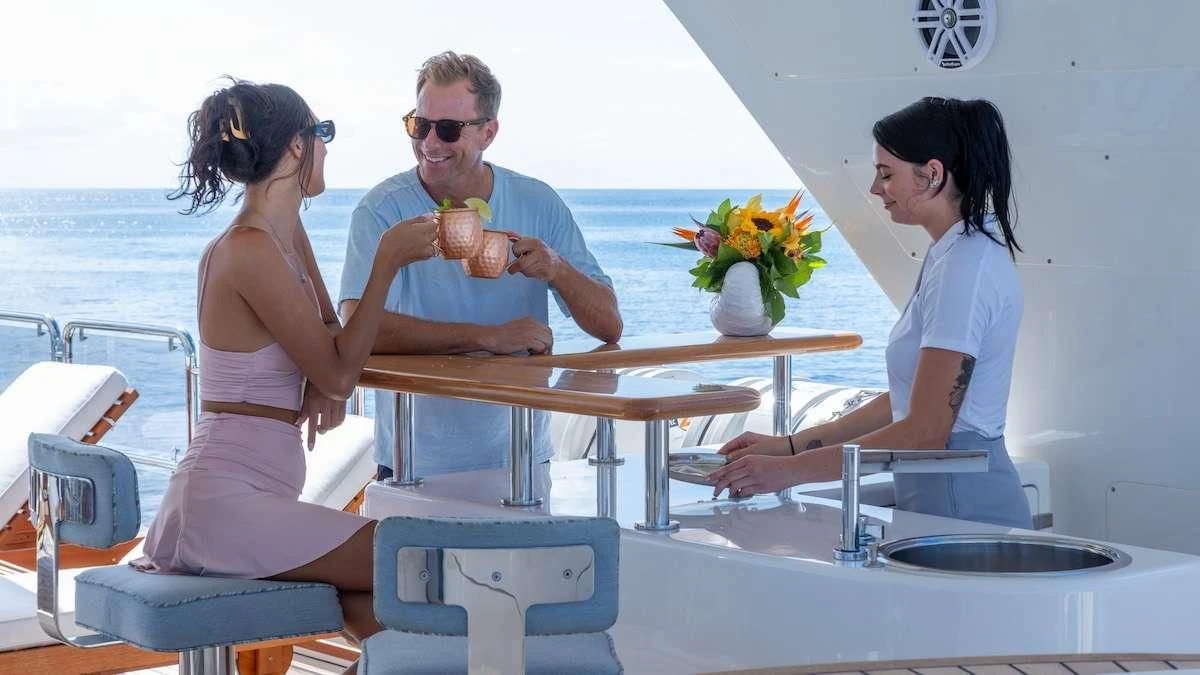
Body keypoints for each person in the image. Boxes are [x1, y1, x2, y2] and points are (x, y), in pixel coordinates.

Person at [135, 78, 439, 674]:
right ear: (297, 148)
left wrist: (315, 379)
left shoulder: (281, 234)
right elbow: (341, 369)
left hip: (237, 501)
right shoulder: (248, 249)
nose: (327, 147)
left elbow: (327, 328)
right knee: (415, 559)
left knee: (384, 606)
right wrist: (387, 263)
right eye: (322, 133)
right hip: (222, 506)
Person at [709, 97, 1032, 529]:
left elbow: (926, 431)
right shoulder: (953, 253)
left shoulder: (966, 267)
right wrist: (787, 447)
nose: (875, 189)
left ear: (932, 175)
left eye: (886, 174)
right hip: (947, 506)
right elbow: (903, 404)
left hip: (966, 511)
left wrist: (786, 473)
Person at [339, 51, 622, 478]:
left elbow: (609, 326)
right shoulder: (380, 210)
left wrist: (558, 270)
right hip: (413, 464)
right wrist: (488, 337)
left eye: (449, 129)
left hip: (524, 455)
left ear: (488, 132)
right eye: (420, 125)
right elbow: (357, 327)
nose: (430, 143)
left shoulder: (538, 202)